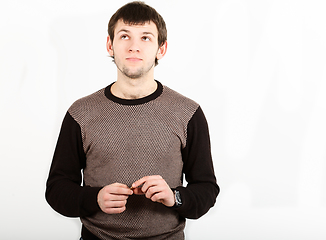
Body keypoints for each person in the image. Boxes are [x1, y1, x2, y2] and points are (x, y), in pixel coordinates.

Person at [45, 1, 219, 239]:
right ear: (110, 45)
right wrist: (94, 198)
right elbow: (56, 190)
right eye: (125, 36)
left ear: (161, 49)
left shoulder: (188, 113)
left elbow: (207, 190)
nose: (134, 47)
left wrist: (174, 196)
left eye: (146, 38)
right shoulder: (81, 113)